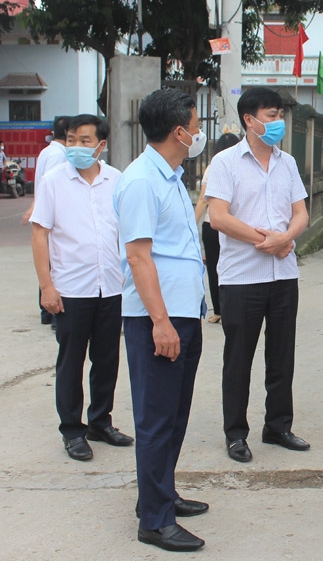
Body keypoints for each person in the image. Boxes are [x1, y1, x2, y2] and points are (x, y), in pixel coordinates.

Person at [114, 88, 209, 552]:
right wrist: (161, 322)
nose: (198, 133)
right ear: (178, 131)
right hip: (159, 321)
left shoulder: (170, 175)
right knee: (155, 420)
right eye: (194, 126)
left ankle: (161, 494)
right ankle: (154, 520)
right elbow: (138, 256)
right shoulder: (140, 181)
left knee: (173, 415)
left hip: (183, 316)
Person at [207, 88, 310, 463]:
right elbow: (218, 216)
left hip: (283, 276)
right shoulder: (225, 163)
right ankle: (236, 433)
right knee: (239, 359)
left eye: (279, 114)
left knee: (281, 356)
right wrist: (267, 241)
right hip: (241, 278)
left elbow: (301, 213)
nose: (278, 121)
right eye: (271, 115)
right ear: (249, 121)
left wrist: (287, 238)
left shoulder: (288, 163)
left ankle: (278, 426)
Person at [29, 114, 132, 462]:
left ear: (101, 146)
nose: (75, 147)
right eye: (71, 140)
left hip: (111, 286)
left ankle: (100, 422)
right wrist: (47, 286)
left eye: (85, 141)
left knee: (107, 359)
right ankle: (72, 430)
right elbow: (39, 233)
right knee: (71, 361)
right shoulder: (54, 181)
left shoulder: (117, 180)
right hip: (71, 288)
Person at [23, 116, 71, 326]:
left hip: (47, 213)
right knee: (52, 263)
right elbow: (49, 183)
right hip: (53, 214)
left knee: (49, 261)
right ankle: (50, 312)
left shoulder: (47, 151)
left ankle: (46, 312)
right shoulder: (58, 155)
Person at [194, 133, 241, 324]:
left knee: (214, 268)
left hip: (212, 225)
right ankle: (237, 308)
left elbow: (203, 200)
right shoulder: (243, 166)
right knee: (236, 265)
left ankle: (220, 310)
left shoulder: (213, 167)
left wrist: (190, 226)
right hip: (236, 225)